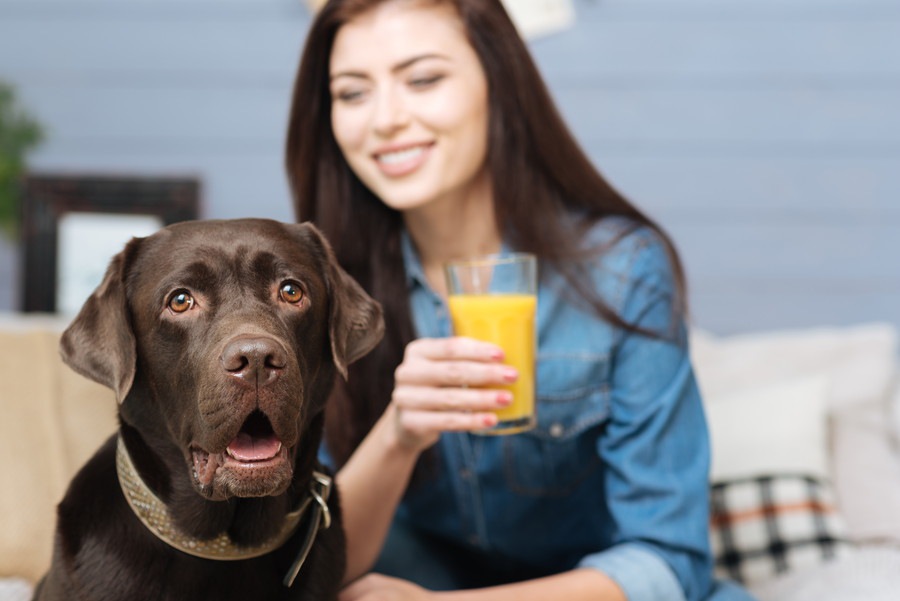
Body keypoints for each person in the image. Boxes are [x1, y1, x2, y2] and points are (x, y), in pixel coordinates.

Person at [285, 1, 756, 600]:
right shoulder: (325, 290)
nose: (385, 120)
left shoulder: (621, 270)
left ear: (498, 82)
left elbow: (670, 560)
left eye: (423, 79)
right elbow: (311, 567)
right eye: (352, 94)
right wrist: (400, 434)